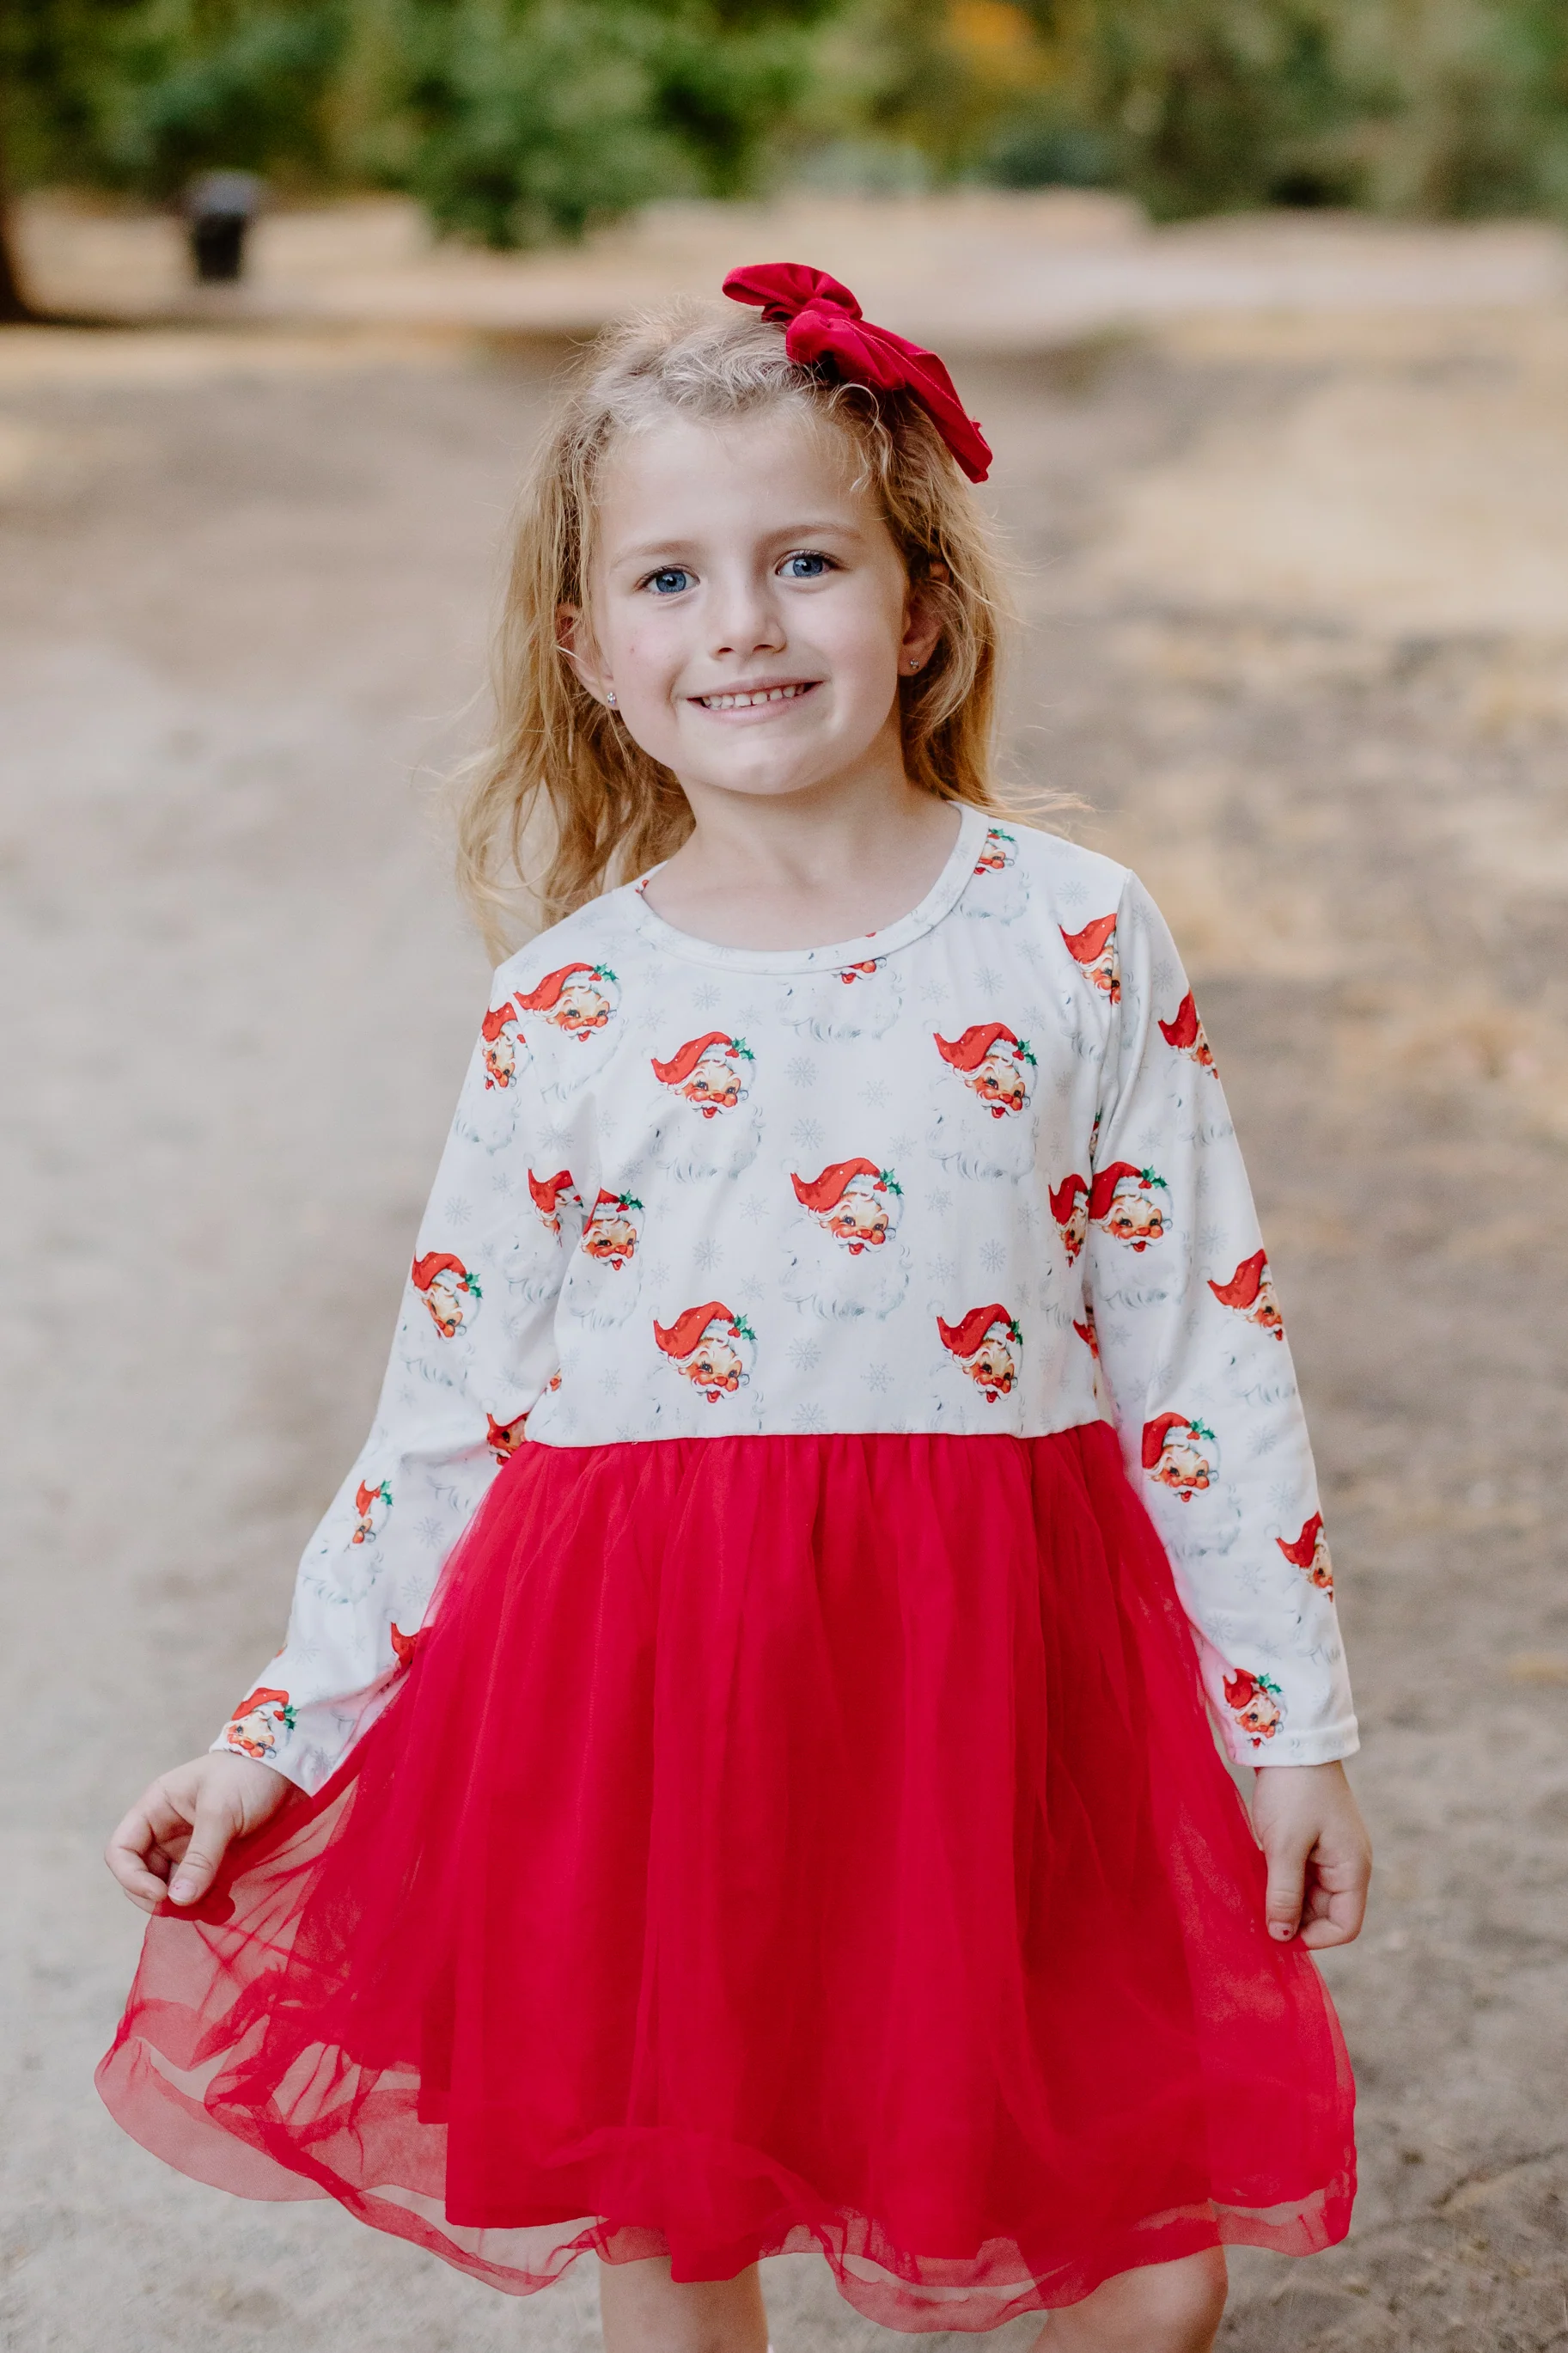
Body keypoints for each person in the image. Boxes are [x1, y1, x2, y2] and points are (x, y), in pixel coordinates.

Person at [100, 263, 1371, 2353]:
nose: (748, 624)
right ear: (594, 654)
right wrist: (276, 1736)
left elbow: (1200, 1350)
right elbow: (449, 1415)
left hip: (1009, 1675)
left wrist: (1287, 1721)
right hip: (653, 1685)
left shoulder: (1075, 937)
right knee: (679, 2222)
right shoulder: (568, 1009)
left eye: (805, 560)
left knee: (1148, 2262)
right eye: (674, 580)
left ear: (921, 602)